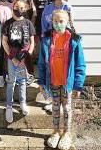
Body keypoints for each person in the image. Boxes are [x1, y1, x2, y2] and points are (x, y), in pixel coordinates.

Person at [38, 10, 86, 150]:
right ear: (51, 22)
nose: (58, 24)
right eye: (55, 21)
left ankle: (67, 133)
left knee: (66, 108)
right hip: (53, 81)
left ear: (67, 22)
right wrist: (41, 82)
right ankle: (56, 132)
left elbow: (80, 64)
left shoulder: (74, 41)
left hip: (67, 83)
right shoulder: (46, 40)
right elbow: (41, 63)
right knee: (55, 107)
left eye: (61, 21)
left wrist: (78, 85)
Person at [2, 0, 35, 123]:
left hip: (24, 56)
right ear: (12, 7)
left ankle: (22, 102)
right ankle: (9, 106)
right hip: (12, 56)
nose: (18, 9)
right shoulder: (8, 23)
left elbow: (32, 42)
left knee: (22, 81)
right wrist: (13, 58)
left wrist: (27, 57)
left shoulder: (28, 23)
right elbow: (4, 41)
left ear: (25, 9)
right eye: (16, 7)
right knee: (11, 81)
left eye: (22, 7)